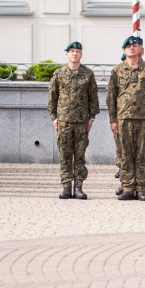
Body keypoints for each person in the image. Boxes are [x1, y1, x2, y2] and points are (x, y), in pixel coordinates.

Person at [107, 35, 145, 200]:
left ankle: (142, 187)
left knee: (142, 153)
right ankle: (128, 187)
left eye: (136, 46)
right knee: (125, 153)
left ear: (141, 49)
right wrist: (113, 119)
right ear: (124, 50)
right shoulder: (117, 70)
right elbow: (111, 96)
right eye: (129, 47)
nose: (132, 48)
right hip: (123, 118)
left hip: (143, 118)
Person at [48, 41, 99, 199]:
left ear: (81, 54)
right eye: (71, 51)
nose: (74, 54)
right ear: (66, 54)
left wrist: (91, 117)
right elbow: (52, 98)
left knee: (80, 155)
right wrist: (54, 118)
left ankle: (78, 187)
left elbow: (93, 98)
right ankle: (65, 187)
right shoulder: (59, 74)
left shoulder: (88, 74)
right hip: (64, 121)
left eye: (77, 51)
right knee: (65, 155)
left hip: (82, 122)